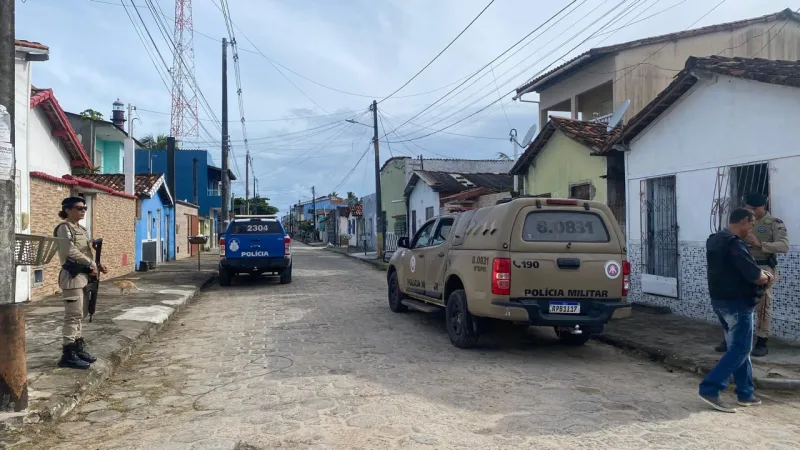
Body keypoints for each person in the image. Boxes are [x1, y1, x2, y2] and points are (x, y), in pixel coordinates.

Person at [700, 207, 773, 413]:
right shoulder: (735, 244)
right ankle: (710, 388)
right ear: (743, 221)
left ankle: (745, 393)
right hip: (738, 304)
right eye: (751, 224)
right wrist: (767, 276)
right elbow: (755, 276)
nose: (751, 228)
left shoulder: (714, 239)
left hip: (720, 301)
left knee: (739, 348)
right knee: (741, 348)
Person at [714, 193, 789, 356]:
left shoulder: (774, 223)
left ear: (764, 206)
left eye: (755, 209)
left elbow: (784, 246)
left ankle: (762, 340)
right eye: (749, 209)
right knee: (735, 302)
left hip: (762, 265)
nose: (752, 212)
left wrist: (760, 244)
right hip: (741, 265)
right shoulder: (743, 219)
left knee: (763, 304)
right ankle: (730, 337)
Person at [54, 197, 106, 369]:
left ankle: (77, 347)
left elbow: (87, 252)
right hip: (72, 278)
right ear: (68, 210)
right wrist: (90, 263)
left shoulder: (82, 229)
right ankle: (68, 354)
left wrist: (97, 264)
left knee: (80, 315)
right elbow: (69, 250)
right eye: (79, 208)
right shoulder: (64, 228)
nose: (83, 211)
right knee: (72, 316)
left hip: (84, 278)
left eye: (85, 208)